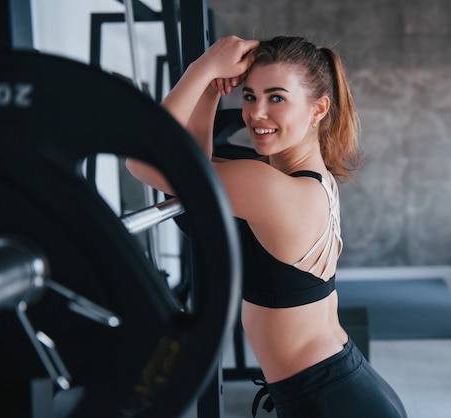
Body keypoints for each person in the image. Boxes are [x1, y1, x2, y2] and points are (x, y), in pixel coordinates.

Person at [126, 35, 407, 418]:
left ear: (318, 109)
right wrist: (210, 93)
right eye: (248, 96)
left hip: (331, 400)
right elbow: (191, 164)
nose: (257, 113)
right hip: (339, 385)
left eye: (276, 98)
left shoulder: (269, 188)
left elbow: (145, 162)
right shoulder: (308, 180)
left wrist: (201, 69)